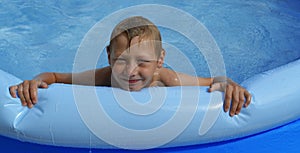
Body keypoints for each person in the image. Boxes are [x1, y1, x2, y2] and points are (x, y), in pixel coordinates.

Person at [9, 16, 251, 117]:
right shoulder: (104, 77)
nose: (130, 71)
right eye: (121, 61)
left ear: (159, 60)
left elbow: (214, 81)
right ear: (109, 57)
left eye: (143, 62)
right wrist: (33, 81)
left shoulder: (167, 79)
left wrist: (231, 87)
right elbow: (53, 76)